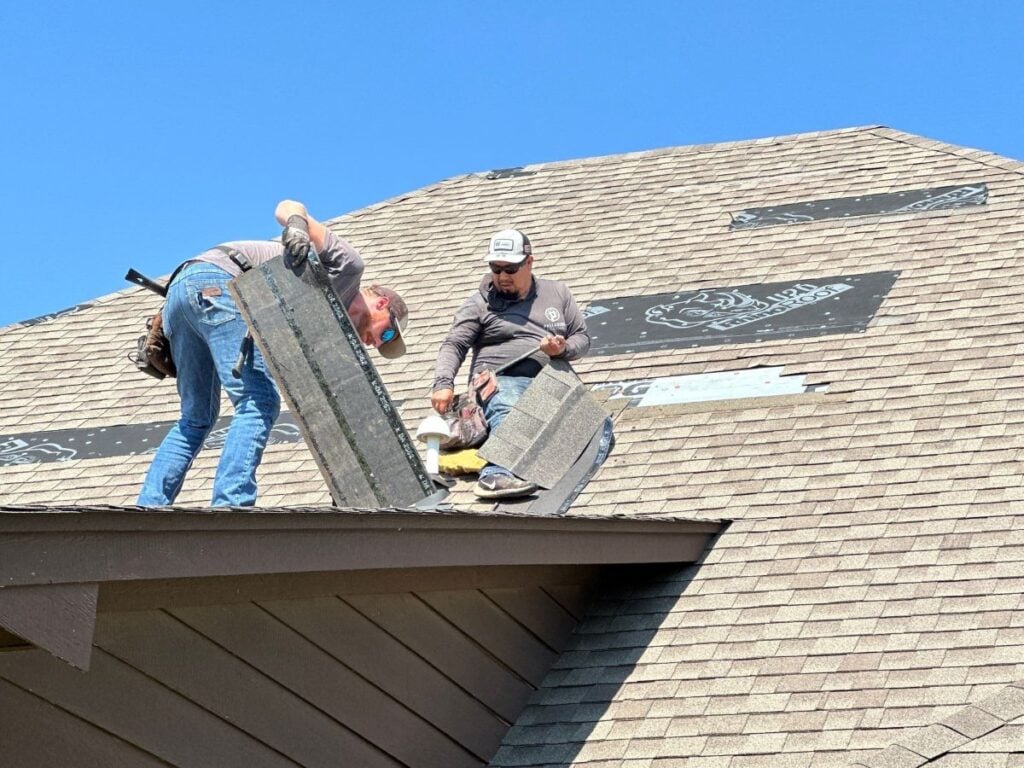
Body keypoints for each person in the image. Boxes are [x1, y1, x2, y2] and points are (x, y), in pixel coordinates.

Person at [138, 200, 409, 507]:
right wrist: (296, 226)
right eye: (385, 333)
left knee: (196, 418)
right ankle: (232, 505)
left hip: (183, 293)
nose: (375, 343)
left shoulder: (324, 328)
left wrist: (346, 489)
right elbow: (288, 205)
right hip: (220, 283)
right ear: (383, 304)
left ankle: (149, 506)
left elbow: (320, 405)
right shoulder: (348, 269)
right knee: (259, 401)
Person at [431, 229, 590, 499]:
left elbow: (582, 338)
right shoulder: (480, 304)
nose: (503, 276)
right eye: (496, 268)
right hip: (499, 379)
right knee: (512, 405)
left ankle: (546, 471)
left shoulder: (557, 293)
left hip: (553, 381)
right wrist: (443, 383)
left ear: (529, 262)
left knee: (593, 424)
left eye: (511, 268)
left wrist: (562, 348)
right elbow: (454, 344)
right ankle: (496, 474)